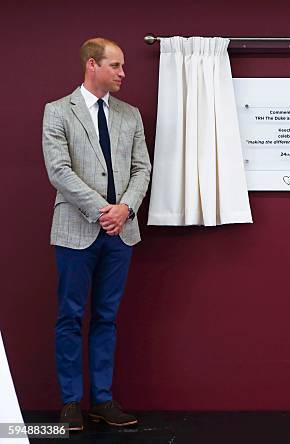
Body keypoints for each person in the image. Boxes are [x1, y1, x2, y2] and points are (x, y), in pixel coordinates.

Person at [42, 37, 151, 430]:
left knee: (107, 317)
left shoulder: (130, 115)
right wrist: (101, 209)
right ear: (92, 64)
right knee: (70, 315)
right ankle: (71, 402)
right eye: (116, 65)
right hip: (76, 230)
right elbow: (59, 171)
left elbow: (143, 169)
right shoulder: (57, 112)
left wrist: (125, 209)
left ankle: (101, 400)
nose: (123, 73)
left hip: (121, 232)